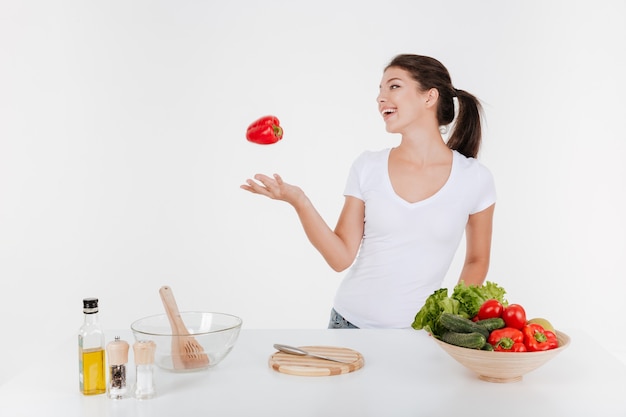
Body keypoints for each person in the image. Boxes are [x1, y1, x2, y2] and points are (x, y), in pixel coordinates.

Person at [241, 54, 496, 329]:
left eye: (394, 86)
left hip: (423, 335)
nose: (380, 98)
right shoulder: (368, 166)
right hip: (349, 324)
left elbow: (477, 260)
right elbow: (340, 258)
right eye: (380, 90)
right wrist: (298, 201)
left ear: (429, 97)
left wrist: (452, 319)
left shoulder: (475, 179)